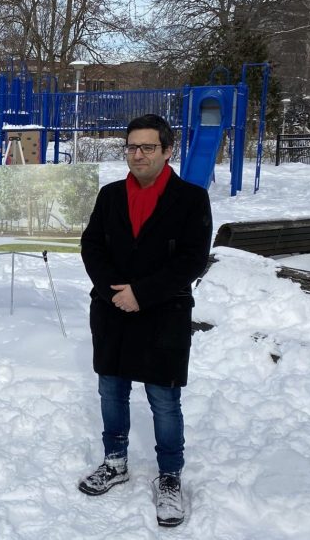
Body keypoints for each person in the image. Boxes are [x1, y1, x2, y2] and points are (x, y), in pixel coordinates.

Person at [77, 114, 212, 528]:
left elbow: (192, 258)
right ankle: (115, 461)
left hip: (163, 313)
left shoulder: (190, 198)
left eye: (147, 147)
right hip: (112, 309)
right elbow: (91, 245)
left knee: (164, 400)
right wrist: (114, 290)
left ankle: (169, 475)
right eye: (132, 147)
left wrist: (143, 293)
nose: (137, 155)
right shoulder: (110, 194)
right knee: (111, 390)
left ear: (168, 150)